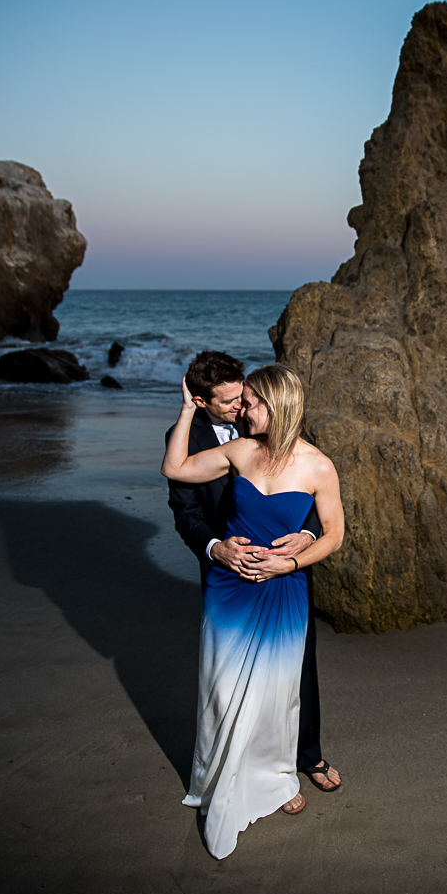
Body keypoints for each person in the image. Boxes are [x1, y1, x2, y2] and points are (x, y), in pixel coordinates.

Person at [162, 363, 345, 859]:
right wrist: (184, 410)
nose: (244, 409)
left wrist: (290, 561)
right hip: (228, 586)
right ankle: (218, 775)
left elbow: (334, 534)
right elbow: (175, 470)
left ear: (279, 405)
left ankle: (276, 778)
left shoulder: (317, 465)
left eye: (253, 402)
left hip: (282, 590)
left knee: (278, 694)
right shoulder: (241, 449)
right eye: (241, 402)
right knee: (221, 687)